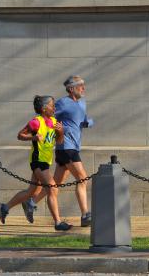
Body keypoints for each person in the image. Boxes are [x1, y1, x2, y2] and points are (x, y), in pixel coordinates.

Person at [22, 75, 94, 227]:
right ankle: (85, 214)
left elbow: (81, 119)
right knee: (82, 178)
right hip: (66, 147)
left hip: (74, 145)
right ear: (71, 89)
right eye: (80, 85)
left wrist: (88, 122)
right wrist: (61, 130)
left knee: (56, 184)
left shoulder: (82, 102)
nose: (83, 88)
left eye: (84, 85)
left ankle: (31, 202)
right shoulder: (62, 103)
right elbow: (48, 118)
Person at [0, 95, 72, 231]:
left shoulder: (54, 121)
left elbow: (60, 142)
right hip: (37, 161)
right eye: (52, 105)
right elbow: (20, 135)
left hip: (46, 161)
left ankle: (5, 206)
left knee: (31, 192)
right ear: (44, 109)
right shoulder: (36, 122)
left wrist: (61, 131)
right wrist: (33, 137)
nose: (55, 108)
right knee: (52, 188)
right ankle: (58, 222)